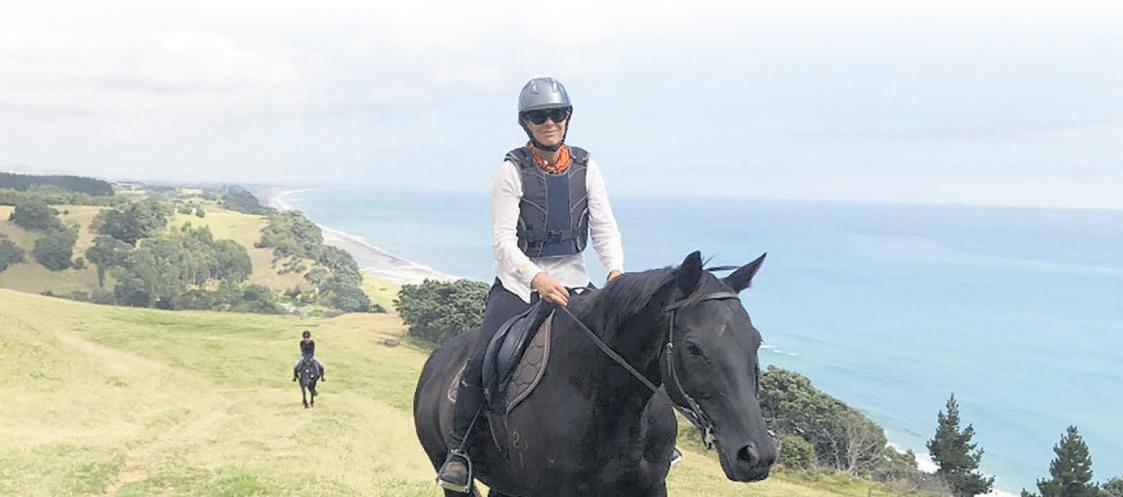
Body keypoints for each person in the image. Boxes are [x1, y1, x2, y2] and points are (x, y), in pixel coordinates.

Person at [437, 76, 627, 491]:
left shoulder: (587, 167)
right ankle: (460, 451)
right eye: (539, 117)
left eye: (557, 114)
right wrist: (537, 278)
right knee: (483, 358)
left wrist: (615, 272)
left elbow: (604, 227)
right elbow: (503, 242)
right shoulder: (511, 172)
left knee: (623, 344)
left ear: (568, 117)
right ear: (526, 123)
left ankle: (647, 440)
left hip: (574, 279)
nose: (549, 123)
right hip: (519, 284)